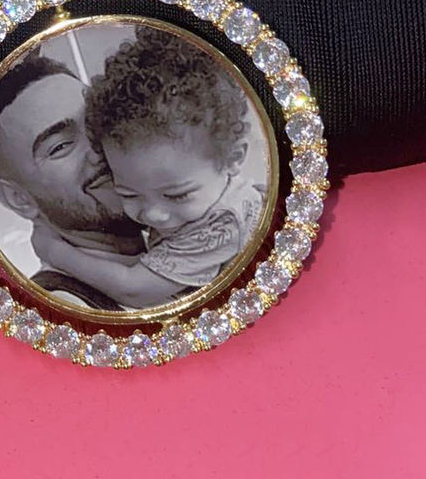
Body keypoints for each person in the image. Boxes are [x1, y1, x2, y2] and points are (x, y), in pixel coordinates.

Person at [32, 25, 264, 309]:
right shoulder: (197, 198)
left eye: (177, 195)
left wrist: (54, 252)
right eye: (128, 194)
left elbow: (133, 290)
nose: (153, 214)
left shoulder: (223, 223)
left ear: (233, 159)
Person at [0, 54, 144, 310]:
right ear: (19, 200)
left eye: (96, 120)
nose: (99, 148)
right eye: (60, 146)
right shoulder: (60, 311)